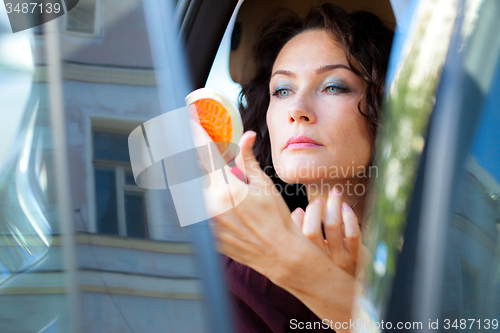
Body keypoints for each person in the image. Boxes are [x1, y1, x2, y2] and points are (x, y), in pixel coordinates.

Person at [205, 3, 393, 332]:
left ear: (386, 108)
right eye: (282, 90)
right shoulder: (235, 267)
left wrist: (297, 267)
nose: (297, 109)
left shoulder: (438, 253)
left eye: (334, 86)